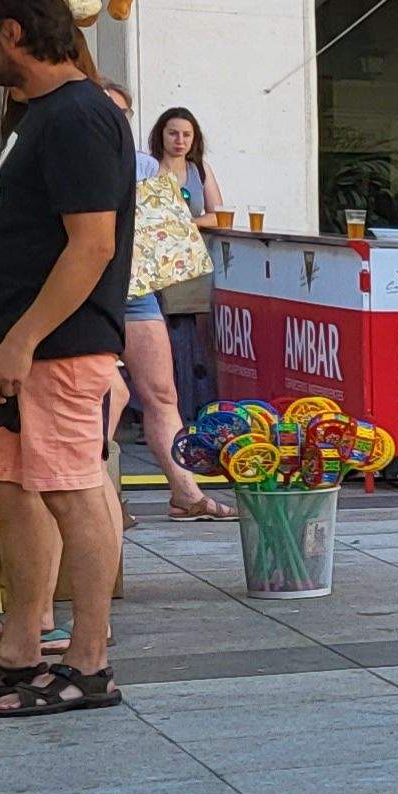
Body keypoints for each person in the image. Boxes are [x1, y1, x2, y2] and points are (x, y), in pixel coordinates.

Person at [0, 0, 130, 715]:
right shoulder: (36, 114)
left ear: (13, 33)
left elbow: (91, 246)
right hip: (22, 343)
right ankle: (19, 649)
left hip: (57, 345)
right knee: (14, 489)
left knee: (72, 490)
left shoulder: (78, 114)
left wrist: (22, 339)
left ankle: (89, 662)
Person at [106, 99, 218, 521]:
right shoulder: (69, 154)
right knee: (108, 393)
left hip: (134, 284)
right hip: (88, 285)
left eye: (121, 113)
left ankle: (186, 493)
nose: (114, 119)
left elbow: (166, 227)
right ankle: (100, 498)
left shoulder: (143, 166)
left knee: (162, 392)